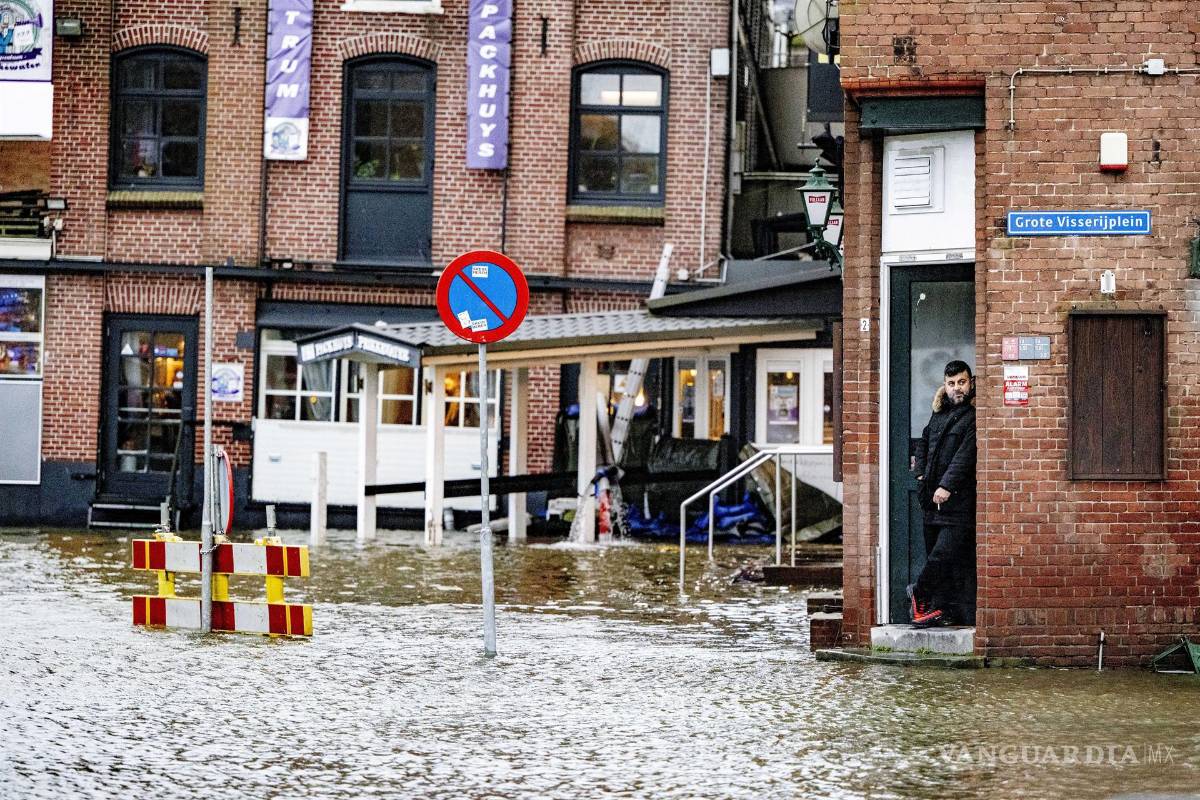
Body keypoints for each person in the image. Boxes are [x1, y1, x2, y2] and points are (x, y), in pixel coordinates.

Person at [908, 360, 977, 627]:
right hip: (930, 502)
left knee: (944, 556)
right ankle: (939, 612)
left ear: (970, 383)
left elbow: (965, 455)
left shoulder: (973, 417)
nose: (956, 388)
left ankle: (918, 592)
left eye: (961, 382)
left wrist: (946, 486)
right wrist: (921, 474)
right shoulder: (937, 415)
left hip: (957, 502)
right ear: (944, 386)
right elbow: (923, 444)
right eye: (951, 383)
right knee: (941, 561)